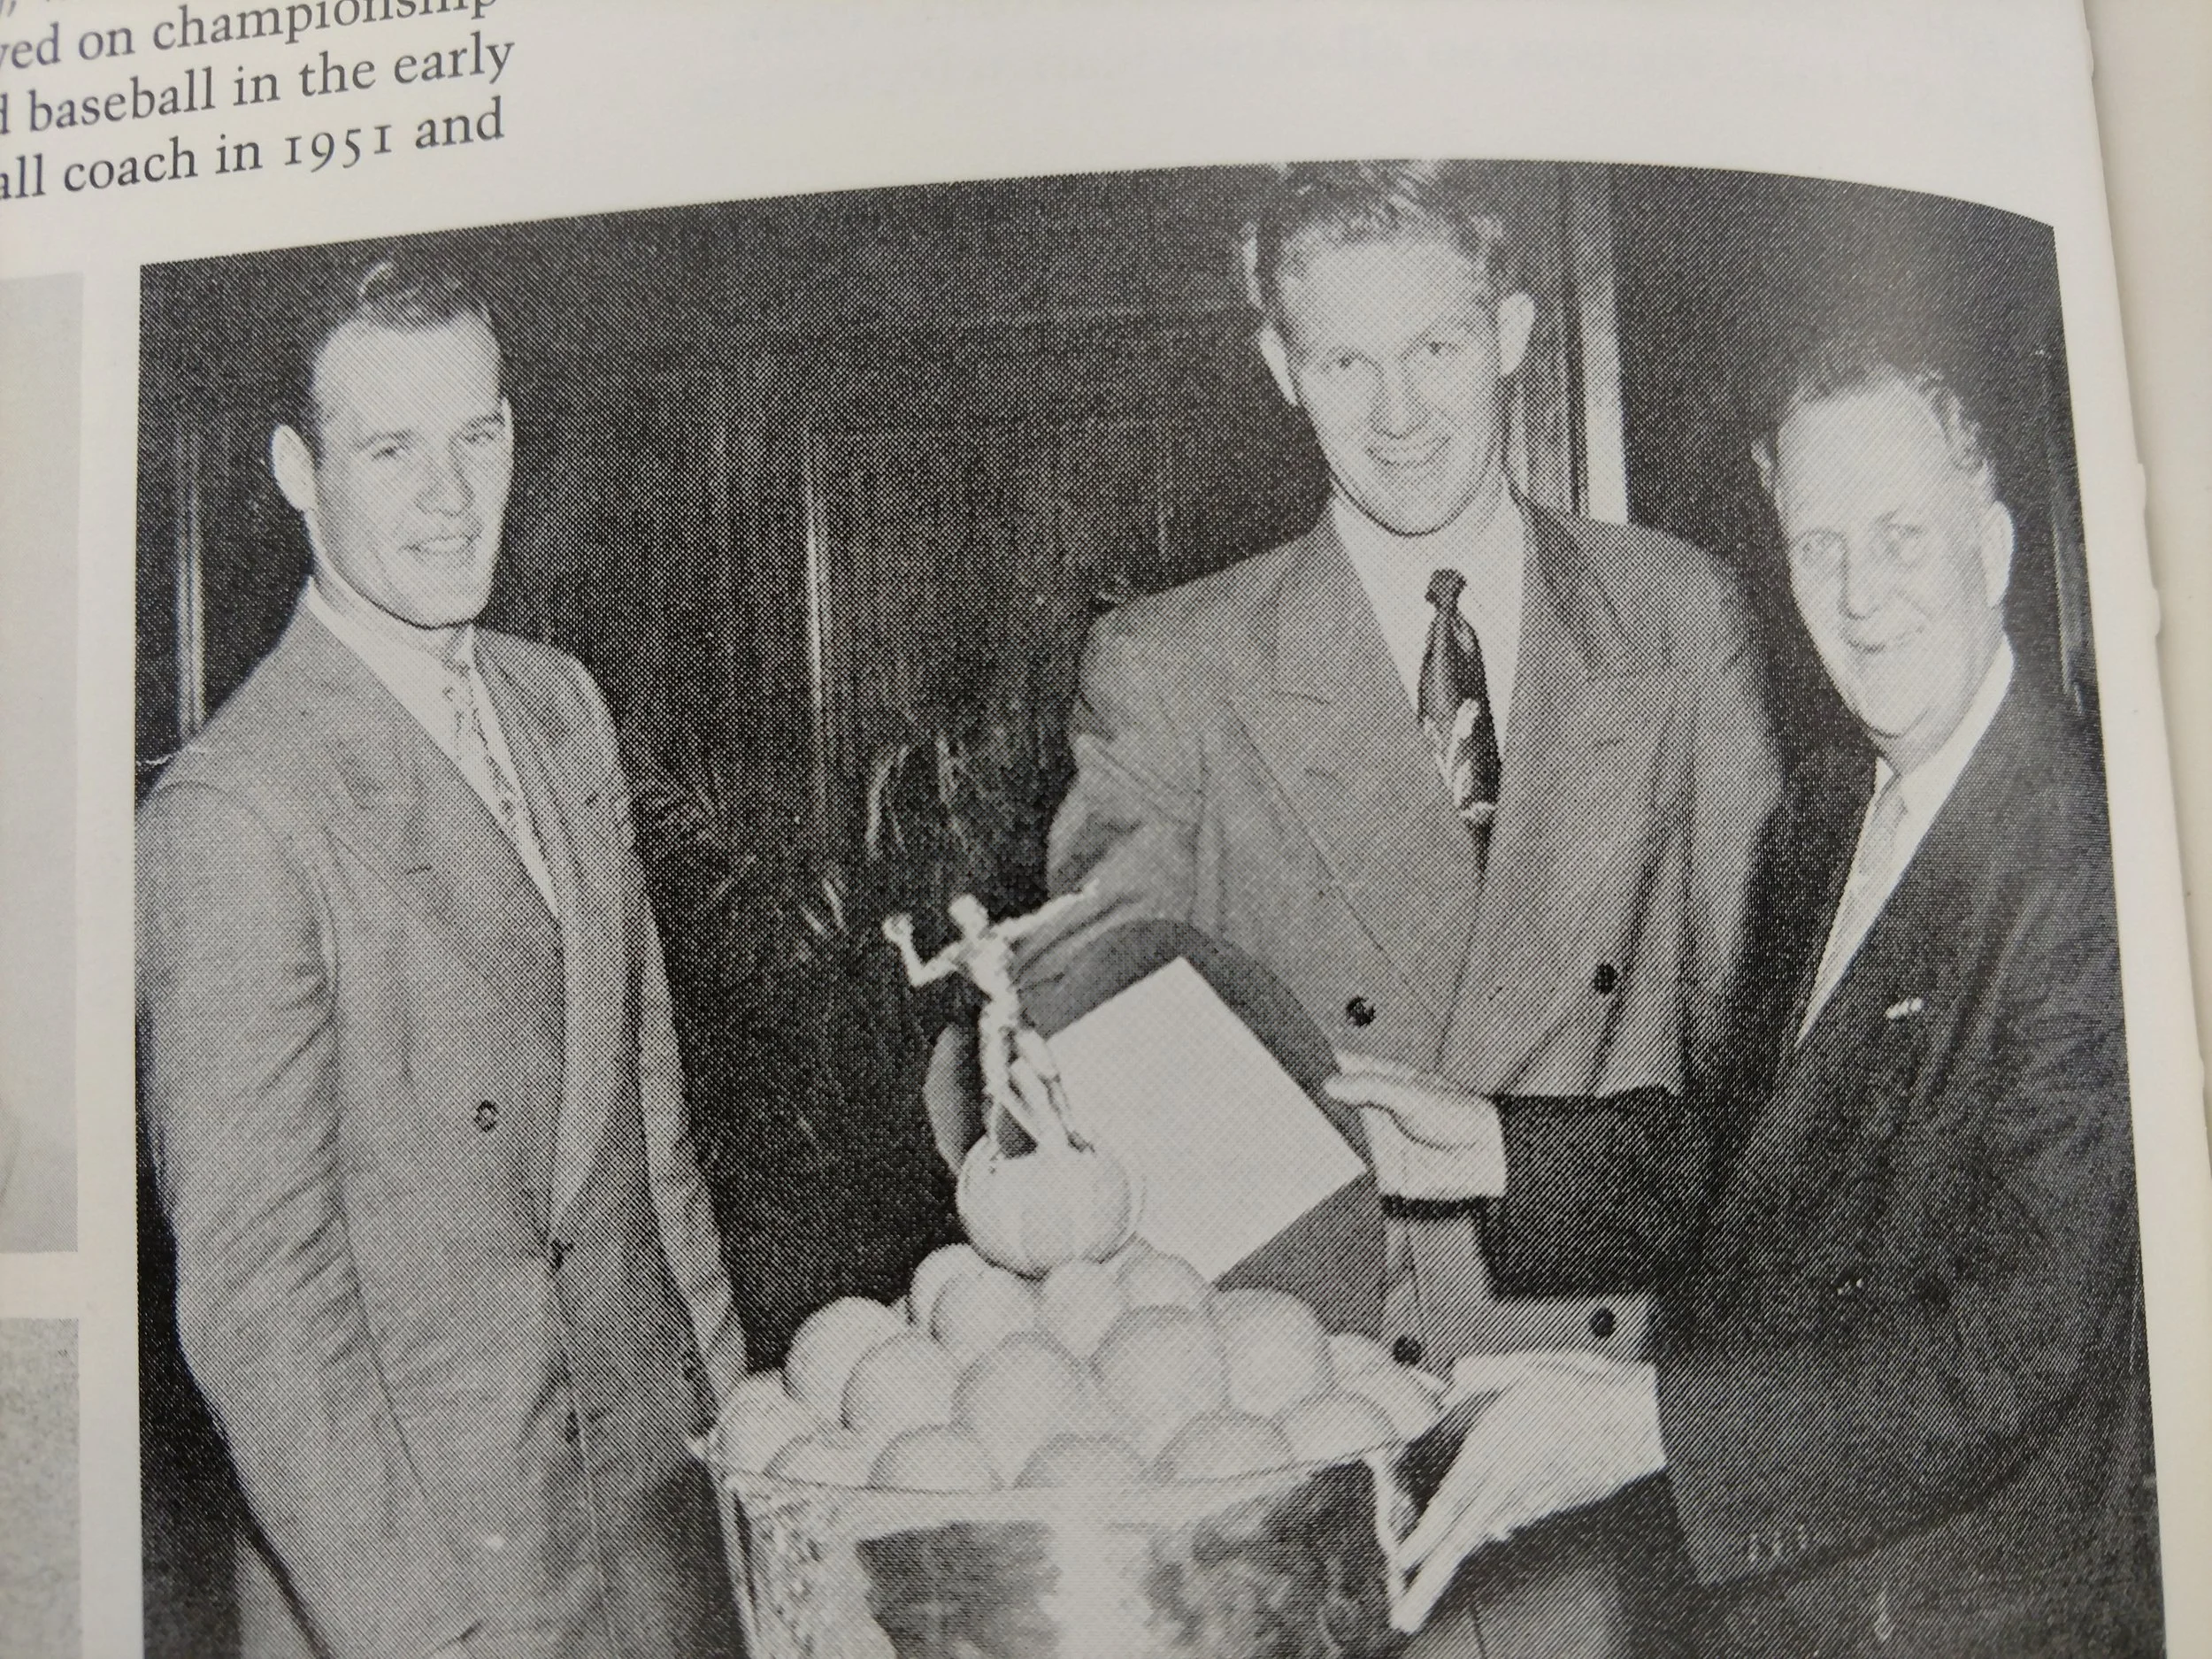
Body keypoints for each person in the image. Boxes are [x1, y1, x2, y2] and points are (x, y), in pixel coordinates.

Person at [1377, 337, 2162, 1657]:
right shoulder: (1827, 819)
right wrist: (1496, 1150)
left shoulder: (2095, 861)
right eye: (1818, 547)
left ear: (1994, 548)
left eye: (1902, 538)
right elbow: (1767, 1162)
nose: (1860, 596)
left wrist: (1645, 1424)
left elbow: (2019, 1340)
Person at [1023, 161, 1782, 1371]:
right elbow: (1091, 1043)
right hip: (1327, 1371)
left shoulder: (1677, 617)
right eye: (1345, 363)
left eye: (1436, 348)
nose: (1399, 415)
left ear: (1512, 335)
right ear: (1282, 369)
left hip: (1614, 1365)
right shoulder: (1172, 665)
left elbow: (1767, 1058)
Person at [136, 257, 745, 1659]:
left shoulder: (561, 704)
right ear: (298, 472)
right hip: (439, 1583)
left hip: (657, 1537)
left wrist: (744, 1465)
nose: (451, 497)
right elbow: (262, 1314)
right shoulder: (236, 813)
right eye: (391, 451)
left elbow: (652, 1142)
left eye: (477, 436)